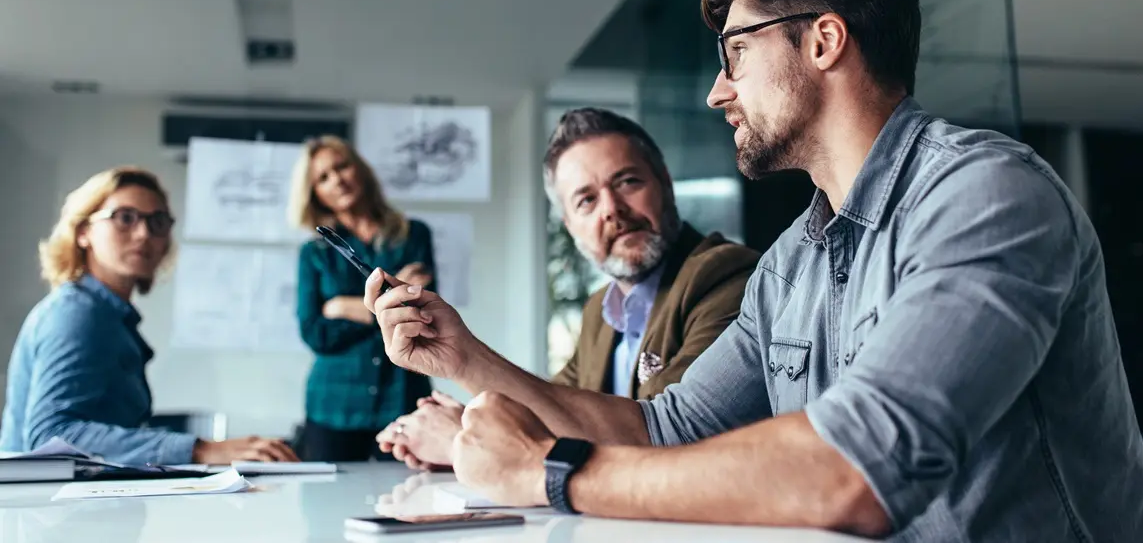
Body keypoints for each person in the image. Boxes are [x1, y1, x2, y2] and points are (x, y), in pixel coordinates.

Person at [361, 0, 1143, 542]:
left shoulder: (987, 194)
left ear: (823, 41)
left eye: (736, 54)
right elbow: (664, 429)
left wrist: (552, 473)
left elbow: (858, 472)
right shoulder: (792, 265)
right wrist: (460, 356)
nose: (717, 92)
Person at [375, 108, 760, 469]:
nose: (611, 209)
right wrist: (471, 419)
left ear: (664, 183)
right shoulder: (601, 310)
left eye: (627, 182)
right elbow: (554, 410)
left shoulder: (725, 276)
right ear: (569, 225)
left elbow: (660, 440)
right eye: (586, 200)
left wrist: (464, 439)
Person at [0, 167, 298, 465]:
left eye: (157, 222)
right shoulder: (77, 313)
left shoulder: (109, 317)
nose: (144, 234)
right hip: (45, 508)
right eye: (124, 218)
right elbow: (50, 436)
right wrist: (200, 449)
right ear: (83, 232)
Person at [289, 135, 436, 462]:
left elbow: (421, 316)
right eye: (323, 178)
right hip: (334, 405)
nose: (337, 180)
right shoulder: (314, 253)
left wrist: (342, 307)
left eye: (342, 167)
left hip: (401, 397)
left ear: (360, 170)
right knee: (327, 506)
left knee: (407, 500)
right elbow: (315, 333)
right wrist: (385, 308)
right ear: (314, 194)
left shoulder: (414, 236)